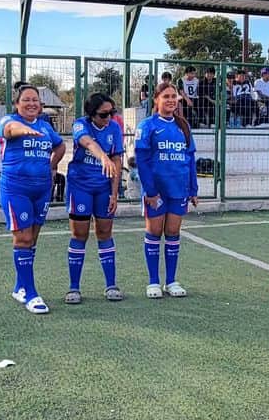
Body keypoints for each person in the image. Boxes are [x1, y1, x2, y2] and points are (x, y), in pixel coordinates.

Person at [0, 85, 65, 314]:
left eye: (35, 100)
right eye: (26, 100)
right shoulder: (9, 120)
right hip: (16, 189)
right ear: (17, 104)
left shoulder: (45, 126)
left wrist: (52, 165)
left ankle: (19, 287)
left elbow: (60, 145)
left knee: (32, 240)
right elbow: (10, 129)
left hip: (42, 189)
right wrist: (23, 130)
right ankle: (31, 293)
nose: (31, 103)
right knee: (23, 238)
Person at [134, 83, 200, 299]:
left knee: (173, 233)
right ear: (156, 99)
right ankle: (153, 281)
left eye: (174, 96)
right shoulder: (147, 126)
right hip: (157, 191)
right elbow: (142, 162)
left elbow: (190, 159)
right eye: (166, 96)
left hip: (179, 189)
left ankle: (171, 281)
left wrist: (193, 189)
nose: (171, 100)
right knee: (154, 232)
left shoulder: (183, 126)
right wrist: (150, 191)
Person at [64, 93, 125, 304]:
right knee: (79, 234)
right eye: (103, 114)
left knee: (105, 232)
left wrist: (114, 193)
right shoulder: (80, 124)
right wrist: (103, 157)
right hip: (80, 186)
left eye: (111, 113)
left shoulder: (114, 128)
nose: (108, 118)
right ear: (91, 114)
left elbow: (117, 161)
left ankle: (111, 285)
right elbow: (88, 142)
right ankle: (74, 287)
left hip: (103, 188)